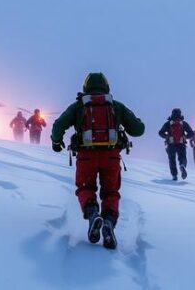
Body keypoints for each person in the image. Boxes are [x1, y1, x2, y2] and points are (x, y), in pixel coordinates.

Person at [50, 72, 144, 250]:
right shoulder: (115, 106)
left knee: (85, 188)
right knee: (110, 192)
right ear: (106, 86)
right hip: (111, 156)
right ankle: (108, 221)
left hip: (86, 156)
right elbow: (139, 129)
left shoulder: (79, 106)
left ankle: (93, 215)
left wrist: (56, 142)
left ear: (85, 87)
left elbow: (58, 125)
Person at [158, 108, 194, 181]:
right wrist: (185, 137)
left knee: (172, 160)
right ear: (180, 114)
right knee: (182, 158)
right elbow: (191, 133)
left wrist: (167, 137)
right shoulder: (184, 123)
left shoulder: (168, 123)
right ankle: (182, 165)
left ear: (172, 114)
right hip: (181, 144)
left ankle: (174, 175)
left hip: (171, 144)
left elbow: (160, 133)